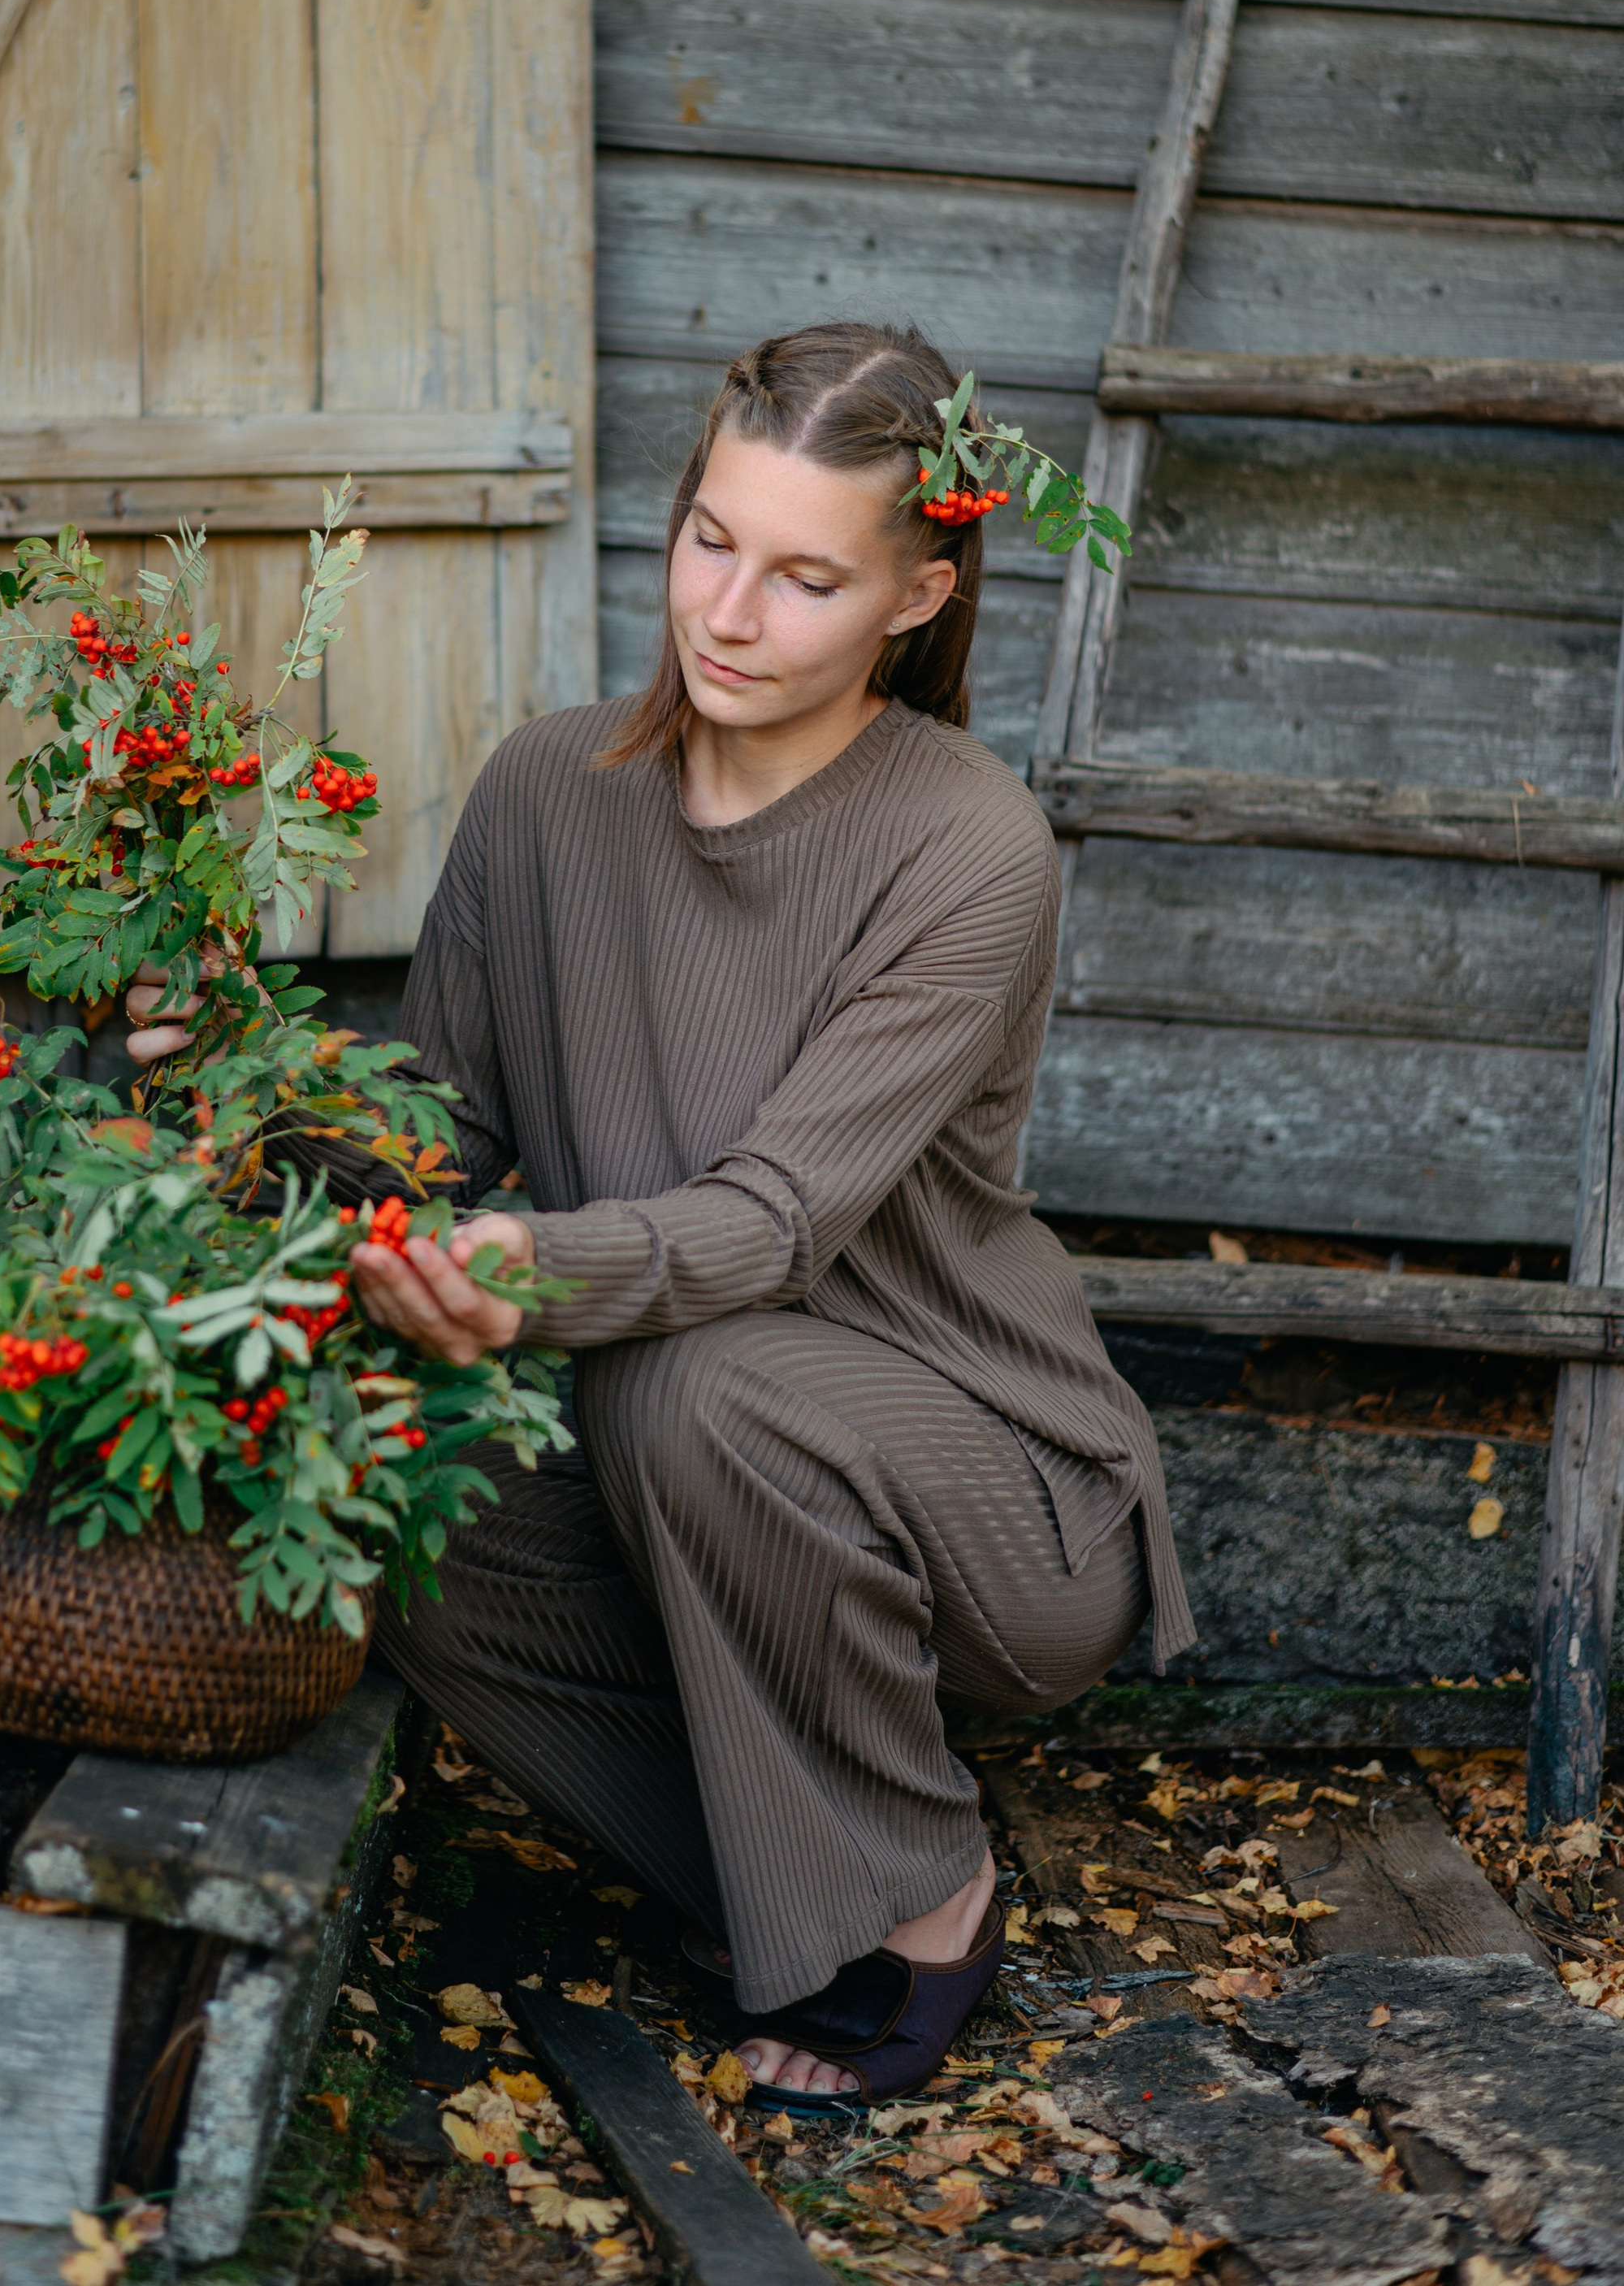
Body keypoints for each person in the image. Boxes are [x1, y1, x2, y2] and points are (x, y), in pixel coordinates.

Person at [129, 321, 1193, 2110]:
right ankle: (778, 1882)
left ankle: (924, 1888)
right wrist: (229, 1068)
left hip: (991, 1488)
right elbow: (438, 1142)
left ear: (915, 595)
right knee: (386, 1504)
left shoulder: (965, 846)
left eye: (803, 576)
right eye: (710, 538)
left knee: (680, 1384)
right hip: (689, 1445)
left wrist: (531, 1271)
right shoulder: (551, 791)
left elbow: (772, 1226)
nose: (726, 611)